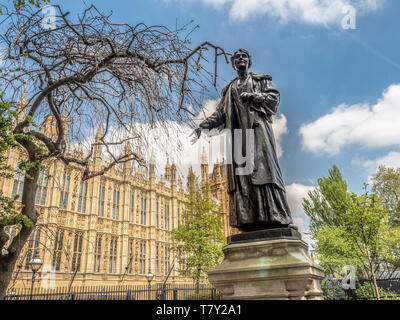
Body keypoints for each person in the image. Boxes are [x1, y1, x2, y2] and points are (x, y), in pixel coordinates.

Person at [190, 48, 296, 232]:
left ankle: (279, 217)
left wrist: (254, 96)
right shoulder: (229, 89)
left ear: (249, 61)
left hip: (257, 132)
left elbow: (273, 98)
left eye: (244, 57)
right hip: (239, 138)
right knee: (244, 181)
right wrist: (202, 126)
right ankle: (251, 221)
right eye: (237, 57)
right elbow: (220, 114)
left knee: (266, 174)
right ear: (233, 64)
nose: (241, 59)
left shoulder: (260, 80)